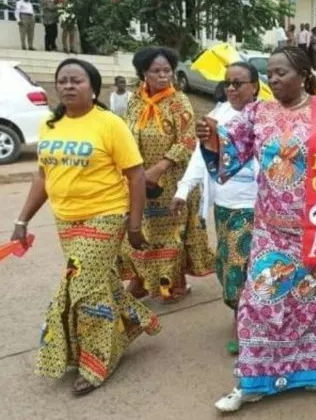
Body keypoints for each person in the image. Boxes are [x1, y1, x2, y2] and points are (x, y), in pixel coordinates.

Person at [198, 46, 316, 412]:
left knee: (310, 305)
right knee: (257, 303)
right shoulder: (259, 112)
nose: (273, 80)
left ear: (304, 75)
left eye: (281, 73)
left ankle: (312, 370)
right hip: (271, 231)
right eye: (270, 74)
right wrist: (209, 135)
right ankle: (251, 381)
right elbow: (231, 146)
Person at [10, 58, 161, 396]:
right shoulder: (50, 125)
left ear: (92, 87)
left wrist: (134, 225)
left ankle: (97, 361)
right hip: (66, 219)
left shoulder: (109, 124)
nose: (67, 86)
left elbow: (135, 175)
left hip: (104, 216)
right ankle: (133, 321)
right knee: (99, 282)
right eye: (62, 81)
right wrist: (22, 220)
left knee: (81, 288)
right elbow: (43, 176)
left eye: (75, 80)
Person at [170, 62, 260, 356]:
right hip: (222, 205)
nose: (232, 88)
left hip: (253, 205)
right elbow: (200, 158)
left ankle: (241, 320)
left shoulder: (265, 118)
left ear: (255, 86)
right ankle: (245, 309)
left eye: (239, 83)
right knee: (224, 265)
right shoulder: (215, 116)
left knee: (237, 266)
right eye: (228, 83)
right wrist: (183, 191)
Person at [118, 46, 214, 302]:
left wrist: (158, 169)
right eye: (156, 71)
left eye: (167, 70)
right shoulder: (135, 101)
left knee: (173, 231)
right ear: (143, 74)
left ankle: (174, 282)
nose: (163, 76)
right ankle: (141, 279)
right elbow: (125, 135)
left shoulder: (178, 101)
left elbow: (187, 141)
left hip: (171, 178)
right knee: (142, 229)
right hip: (139, 178)